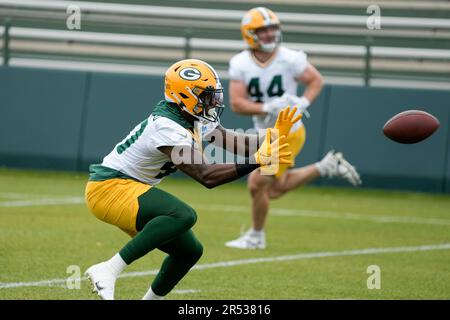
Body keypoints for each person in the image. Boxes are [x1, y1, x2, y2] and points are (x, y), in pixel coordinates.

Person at [84, 58, 301, 300]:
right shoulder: (167, 126)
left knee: (189, 252)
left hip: (129, 188)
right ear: (185, 96)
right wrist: (257, 160)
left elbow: (232, 141)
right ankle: (108, 269)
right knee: (183, 215)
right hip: (109, 189)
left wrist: (272, 137)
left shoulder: (192, 116)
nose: (214, 102)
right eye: (207, 96)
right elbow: (206, 176)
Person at [225, 7, 361, 250]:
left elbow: (315, 81)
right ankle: (327, 166)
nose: (269, 34)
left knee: (257, 184)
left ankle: (256, 237)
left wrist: (303, 103)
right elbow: (237, 103)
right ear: (250, 34)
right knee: (273, 189)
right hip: (265, 132)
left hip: (288, 131)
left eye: (272, 29)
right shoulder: (240, 62)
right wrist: (267, 107)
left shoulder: (289, 58)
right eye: (263, 30)